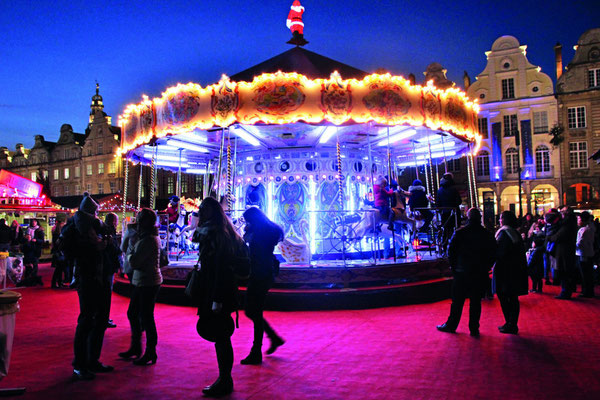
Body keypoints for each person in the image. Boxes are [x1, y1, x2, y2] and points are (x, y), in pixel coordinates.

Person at [194, 197, 247, 397]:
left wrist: (216, 296)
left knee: (221, 335)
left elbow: (219, 267)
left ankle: (225, 378)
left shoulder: (216, 235)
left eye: (203, 210)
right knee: (220, 335)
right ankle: (225, 377)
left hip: (218, 289)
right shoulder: (223, 232)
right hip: (220, 287)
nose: (200, 213)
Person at [436, 208, 496, 337]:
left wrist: (454, 267)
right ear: (479, 218)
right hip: (479, 272)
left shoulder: (460, 233)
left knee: (457, 301)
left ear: (468, 217)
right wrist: (486, 267)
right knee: (476, 302)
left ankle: (452, 325)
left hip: (462, 271)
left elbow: (450, 251)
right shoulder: (486, 234)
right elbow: (493, 253)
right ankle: (474, 328)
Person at [71, 192, 112, 380]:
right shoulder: (79, 228)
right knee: (88, 320)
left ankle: (90, 360)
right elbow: (76, 251)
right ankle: (81, 363)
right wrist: (99, 246)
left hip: (99, 275)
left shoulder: (92, 226)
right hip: (90, 276)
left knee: (98, 320)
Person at [240, 206, 285, 365]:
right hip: (266, 272)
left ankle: (257, 350)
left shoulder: (257, 234)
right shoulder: (267, 231)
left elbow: (248, 246)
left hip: (259, 273)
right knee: (253, 311)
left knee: (253, 311)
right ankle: (271, 339)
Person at [121, 208, 162, 366]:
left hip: (147, 281)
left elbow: (134, 261)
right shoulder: (147, 237)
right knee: (135, 314)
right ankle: (137, 347)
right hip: (144, 280)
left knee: (145, 317)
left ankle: (150, 351)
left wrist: (130, 251)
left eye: (139, 219)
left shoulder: (147, 240)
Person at [494, 211, 528, 334]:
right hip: (515, 269)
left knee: (505, 297)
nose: (499, 221)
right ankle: (511, 323)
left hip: (505, 271)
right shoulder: (514, 233)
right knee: (513, 298)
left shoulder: (504, 234)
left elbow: (500, 253)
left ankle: (510, 323)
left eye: (501, 218)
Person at [550, 206, 578, 299]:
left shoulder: (567, 224)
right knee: (565, 272)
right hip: (565, 250)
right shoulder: (568, 223)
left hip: (565, 251)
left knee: (564, 272)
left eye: (562, 212)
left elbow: (558, 236)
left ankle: (566, 292)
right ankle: (566, 291)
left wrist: (550, 238)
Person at [436, 173, 462, 252]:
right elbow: (459, 201)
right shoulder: (454, 189)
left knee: (445, 230)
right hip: (454, 212)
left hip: (445, 213)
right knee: (456, 229)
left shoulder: (440, 190)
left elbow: (438, 203)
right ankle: (456, 246)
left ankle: (443, 245)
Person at [576, 211, 595, 298]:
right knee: (588, 273)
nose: (578, 221)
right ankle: (588, 290)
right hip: (589, 252)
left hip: (583, 253)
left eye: (579, 219)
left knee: (585, 273)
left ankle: (586, 291)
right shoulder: (591, 227)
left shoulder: (584, 230)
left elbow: (580, 243)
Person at [50, 221, 67, 288]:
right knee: (58, 269)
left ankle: (59, 282)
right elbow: (58, 244)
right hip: (59, 253)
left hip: (58, 252)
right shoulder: (58, 235)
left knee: (59, 269)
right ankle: (54, 283)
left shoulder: (56, 234)